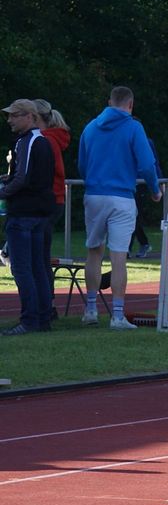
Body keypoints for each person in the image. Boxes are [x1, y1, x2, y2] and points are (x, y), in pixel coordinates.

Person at [77, 86, 161, 329]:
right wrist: (155, 189)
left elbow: (82, 164)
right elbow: (147, 164)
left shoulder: (90, 127)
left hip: (94, 194)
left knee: (94, 252)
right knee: (118, 257)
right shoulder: (133, 127)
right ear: (130, 104)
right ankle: (116, 315)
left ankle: (90, 310)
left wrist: (93, 182)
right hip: (122, 196)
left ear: (109, 102)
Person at [0, 99, 55, 335]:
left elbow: (22, 178)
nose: (10, 120)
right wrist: (8, 179)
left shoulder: (29, 141)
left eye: (15, 115)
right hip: (38, 213)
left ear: (31, 117)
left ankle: (30, 320)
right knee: (37, 267)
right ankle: (42, 319)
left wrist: (3, 191)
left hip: (24, 213)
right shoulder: (41, 141)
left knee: (22, 269)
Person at [31, 100, 70, 317]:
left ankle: (45, 306)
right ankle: (47, 305)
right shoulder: (51, 138)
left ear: (35, 117)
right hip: (53, 200)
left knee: (38, 257)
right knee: (40, 255)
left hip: (47, 202)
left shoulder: (45, 140)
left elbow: (51, 172)